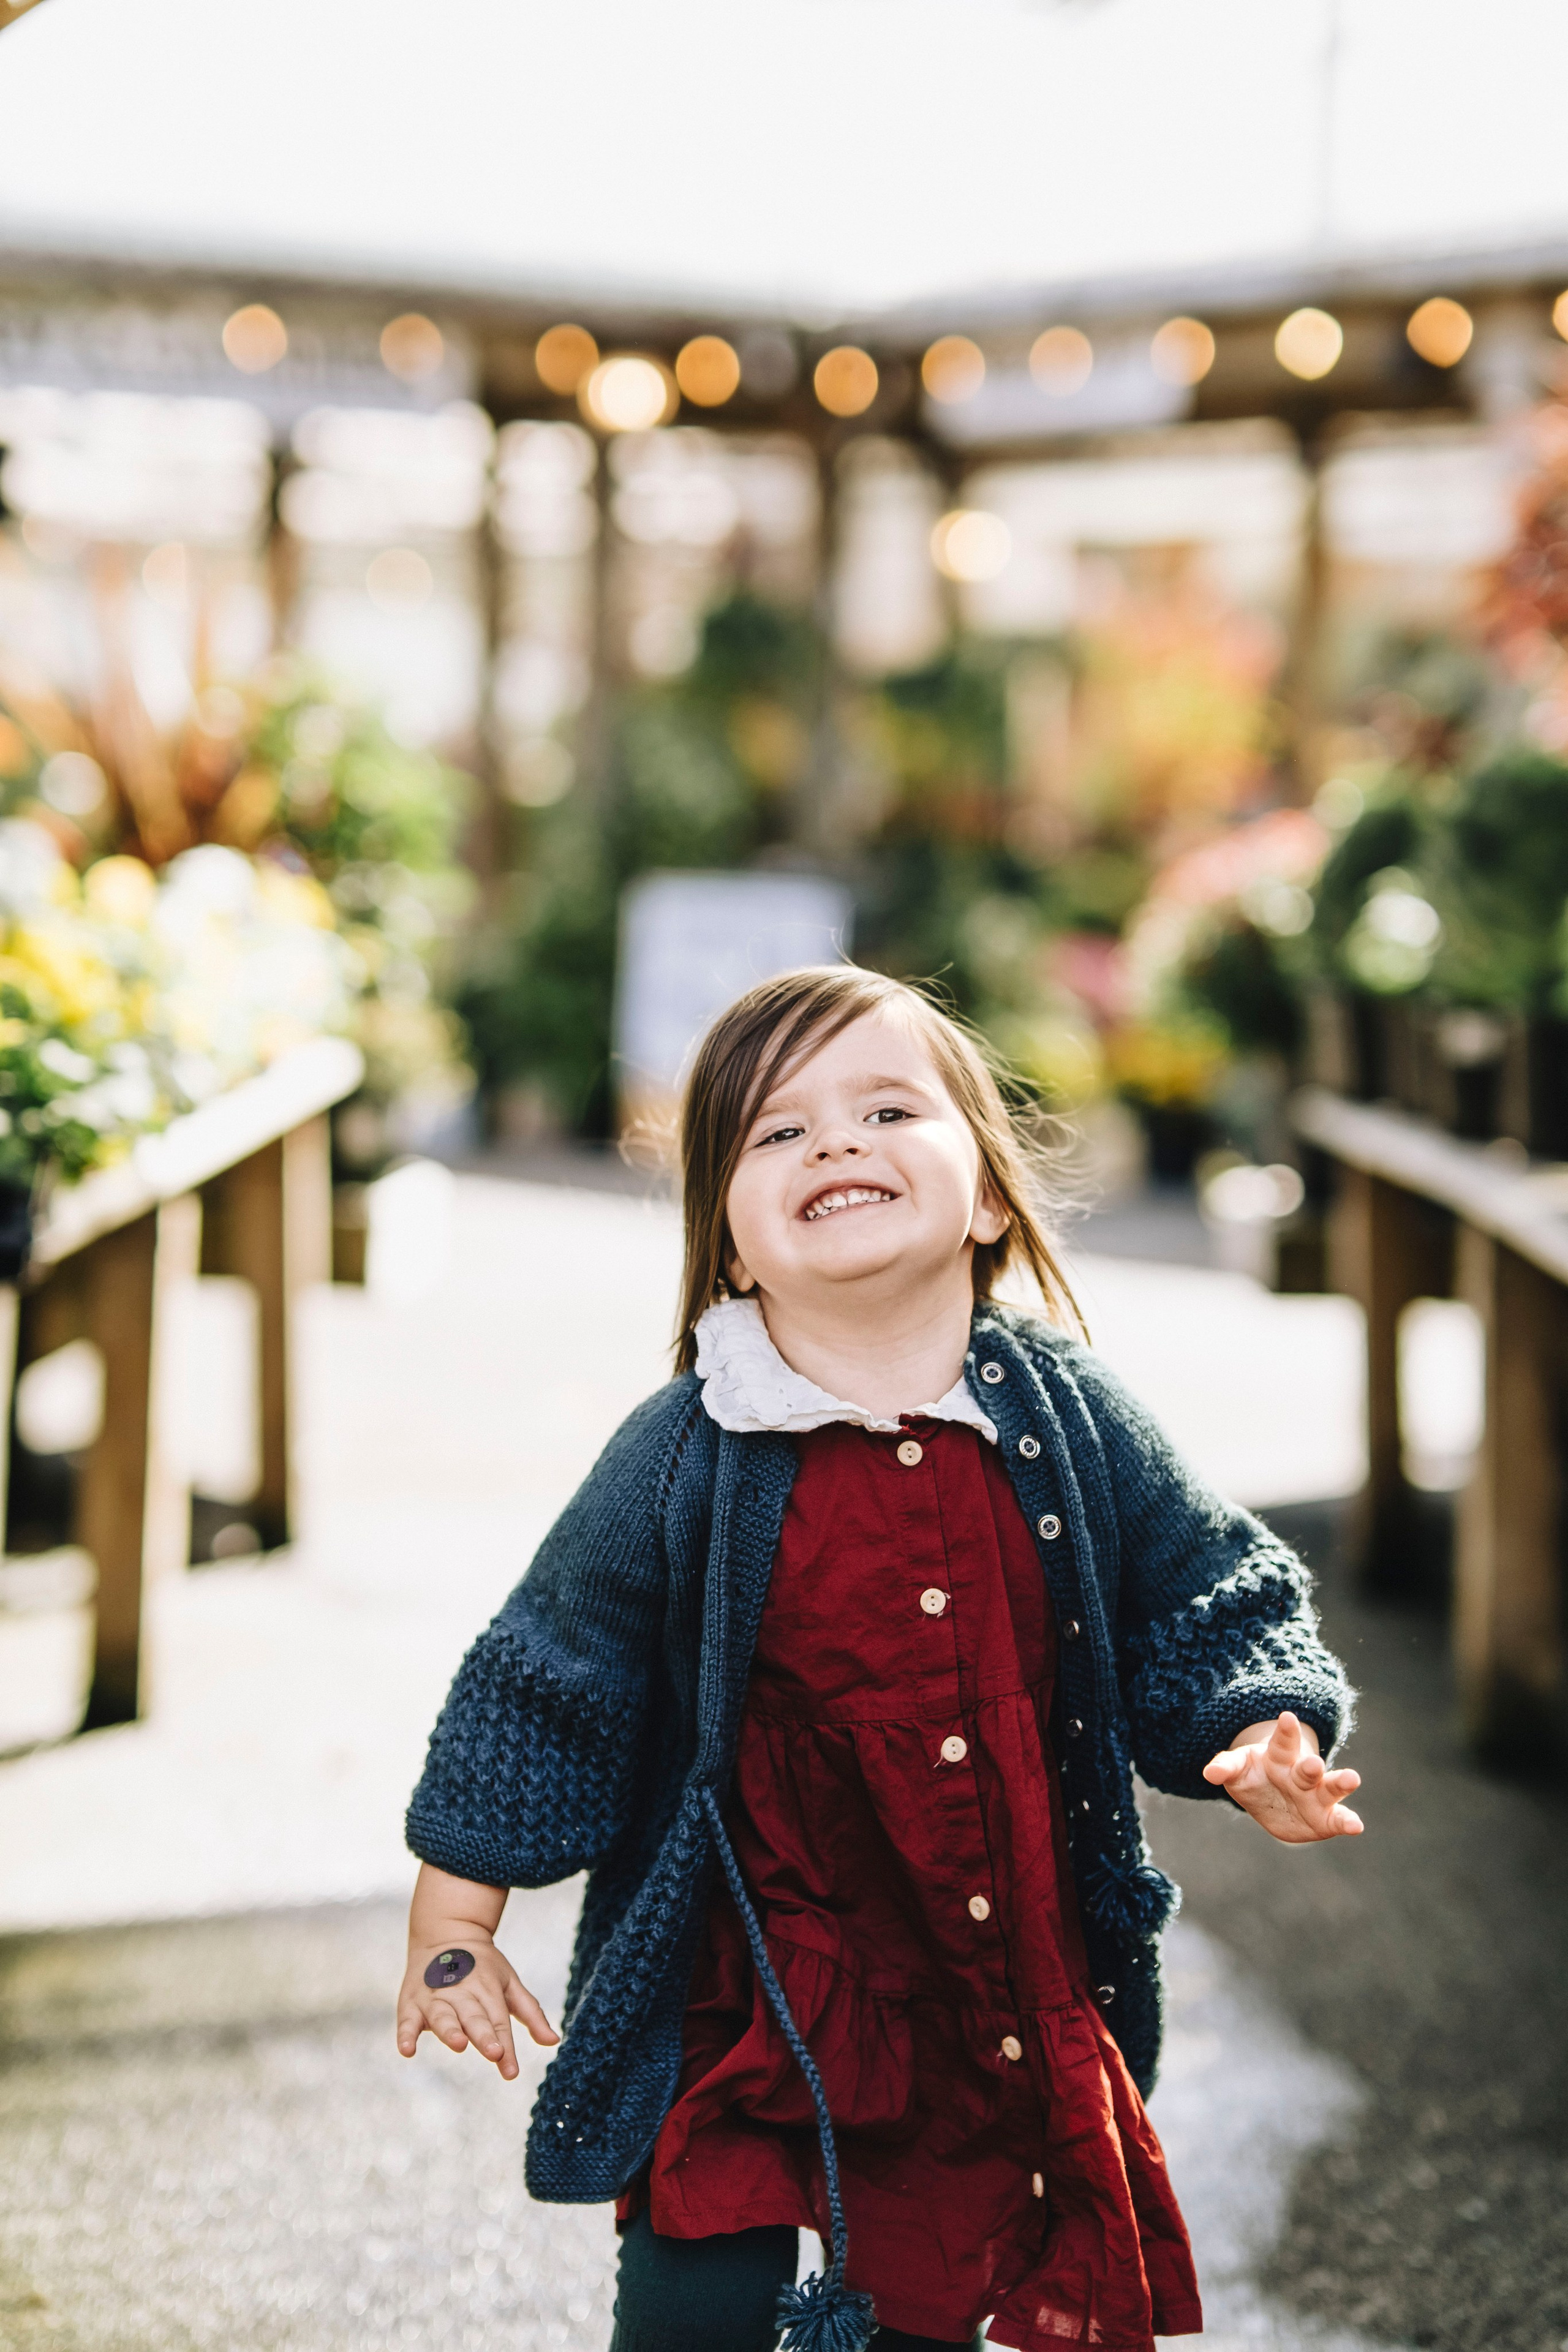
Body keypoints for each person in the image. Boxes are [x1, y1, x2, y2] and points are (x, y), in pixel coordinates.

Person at [396, 965, 1362, 2352]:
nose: (834, 1143)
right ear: (728, 1242)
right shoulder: (685, 1450)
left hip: (971, 1972)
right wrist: (453, 1927)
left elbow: (1207, 1588)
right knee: (694, 2298)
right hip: (746, 1967)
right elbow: (548, 1680)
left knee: (924, 2302)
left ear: (981, 1198)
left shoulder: (1068, 1419)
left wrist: (1263, 1720)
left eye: (887, 1108)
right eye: (776, 1133)